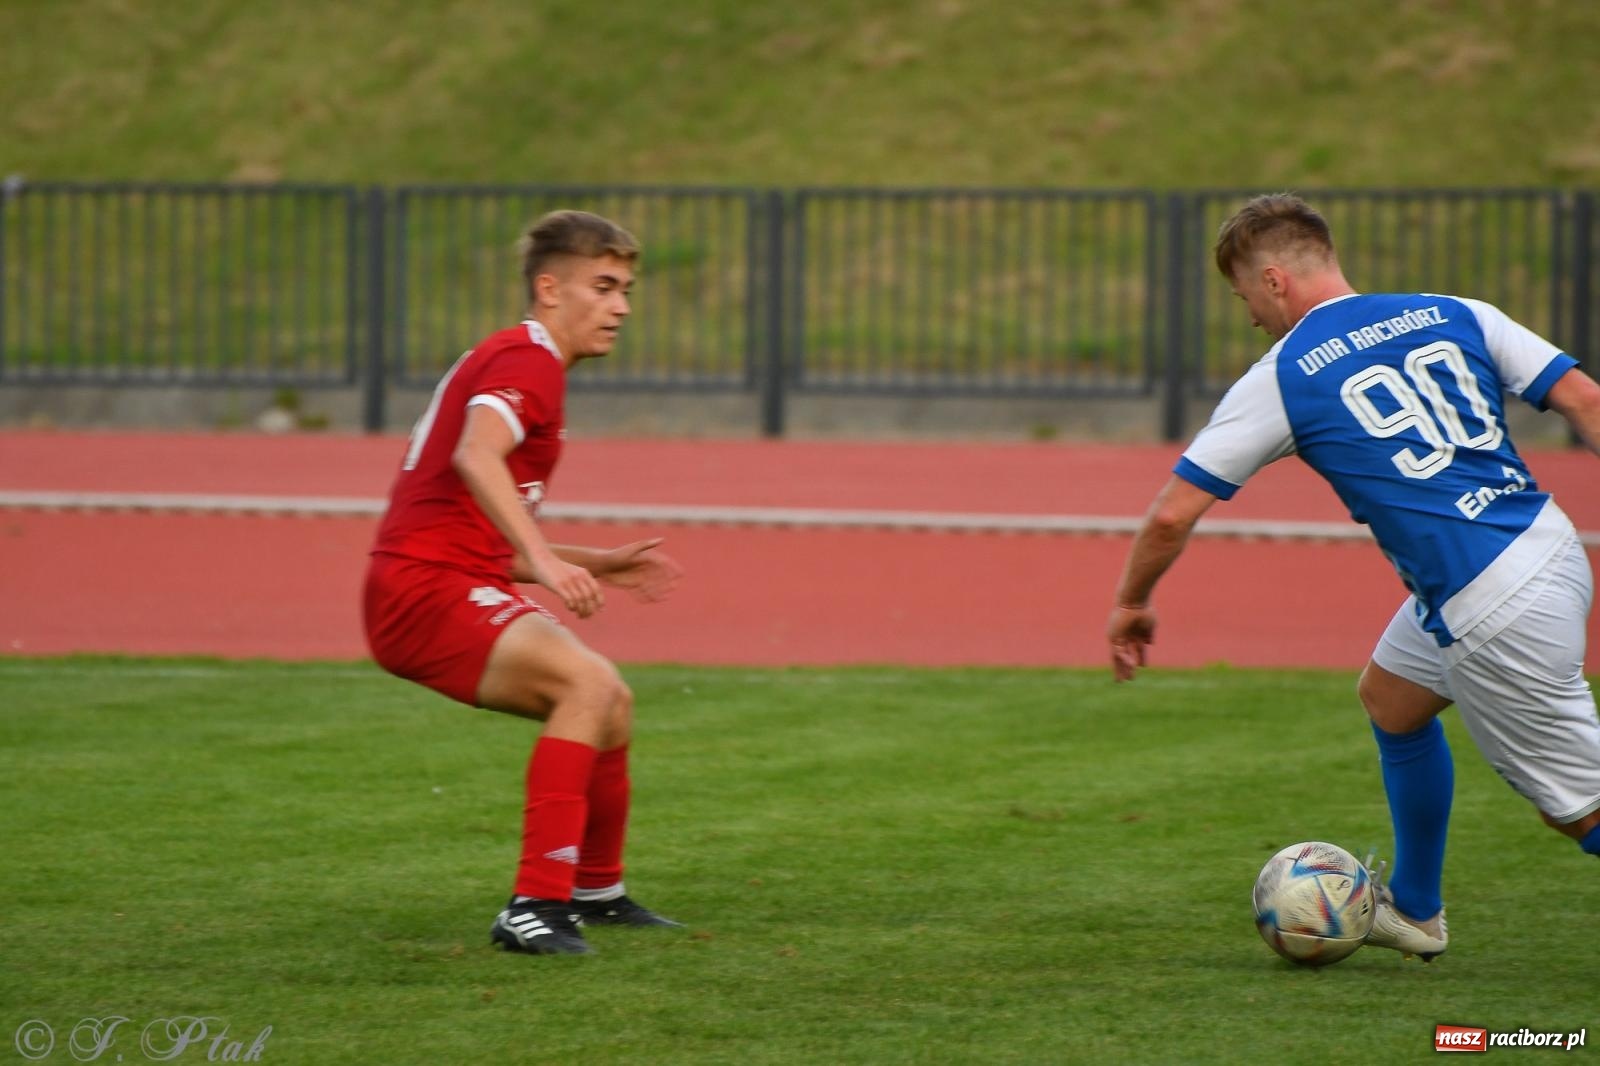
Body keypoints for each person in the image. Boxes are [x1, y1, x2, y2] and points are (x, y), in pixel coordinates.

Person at [1106, 193, 1600, 961]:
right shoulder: (1457, 310)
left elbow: (1172, 515)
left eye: (1244, 298)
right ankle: (1418, 910)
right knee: (1392, 699)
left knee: (1581, 810)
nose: (1249, 318)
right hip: (1548, 546)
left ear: (1273, 280)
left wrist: (1132, 602)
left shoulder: (1286, 374)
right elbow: (1587, 401)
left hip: (1489, 602)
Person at [363, 209, 685, 956]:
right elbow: (477, 457)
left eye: (626, 288)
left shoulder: (526, 361)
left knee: (611, 698)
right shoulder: (528, 359)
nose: (622, 306)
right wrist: (546, 563)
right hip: (420, 591)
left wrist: (594, 560)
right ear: (550, 289)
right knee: (586, 687)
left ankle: (594, 889)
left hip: (433, 576)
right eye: (603, 287)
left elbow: (466, 526)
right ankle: (534, 904)